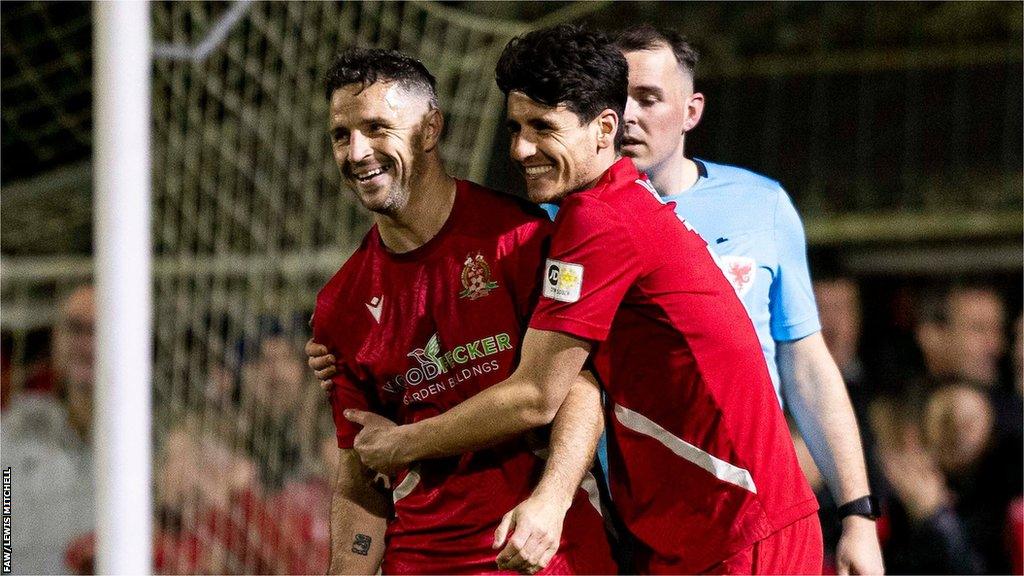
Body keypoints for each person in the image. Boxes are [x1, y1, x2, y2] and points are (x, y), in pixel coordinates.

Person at [343, 25, 822, 574]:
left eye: (543, 128)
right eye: (516, 127)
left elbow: (536, 395)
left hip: (740, 528)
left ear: (604, 129)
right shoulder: (599, 211)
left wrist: (402, 444)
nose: (521, 149)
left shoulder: (601, 222)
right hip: (697, 527)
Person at [312, 47, 614, 575]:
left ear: (430, 130)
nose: (357, 152)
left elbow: (580, 387)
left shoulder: (522, 240)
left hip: (547, 559)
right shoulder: (340, 306)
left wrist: (552, 500)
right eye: (342, 135)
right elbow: (362, 473)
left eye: (378, 128)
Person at [611, 25, 882, 574]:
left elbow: (806, 364)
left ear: (691, 111)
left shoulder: (763, 205)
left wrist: (857, 517)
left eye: (648, 97)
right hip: (630, 520)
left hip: (752, 518)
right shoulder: (565, 225)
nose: (628, 115)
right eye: (615, 100)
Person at [0, 285, 96, 574]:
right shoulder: (14, 430)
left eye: (98, 330)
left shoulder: (156, 442)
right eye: (75, 328)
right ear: (57, 340)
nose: (85, 343)